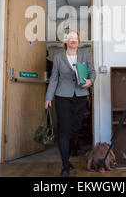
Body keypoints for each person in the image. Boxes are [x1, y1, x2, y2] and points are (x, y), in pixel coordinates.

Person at [45, 31, 96, 177]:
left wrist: (90, 81)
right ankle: (65, 165)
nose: (73, 40)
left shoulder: (85, 55)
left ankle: (71, 151)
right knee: (64, 130)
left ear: (79, 41)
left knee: (75, 128)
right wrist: (48, 97)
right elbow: (54, 78)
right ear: (65, 41)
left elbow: (92, 72)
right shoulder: (58, 57)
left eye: (75, 38)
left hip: (80, 95)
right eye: (70, 38)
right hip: (62, 96)